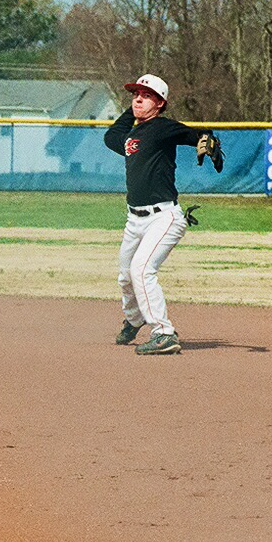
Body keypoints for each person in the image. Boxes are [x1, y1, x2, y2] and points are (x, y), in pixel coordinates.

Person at [103, 73, 219, 356]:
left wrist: (207, 139)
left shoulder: (162, 127)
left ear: (160, 103)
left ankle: (164, 332)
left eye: (146, 95)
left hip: (164, 217)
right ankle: (134, 318)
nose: (138, 99)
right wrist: (130, 111)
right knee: (125, 277)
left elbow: (192, 134)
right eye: (135, 94)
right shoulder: (132, 136)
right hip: (134, 220)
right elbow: (111, 137)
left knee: (142, 270)